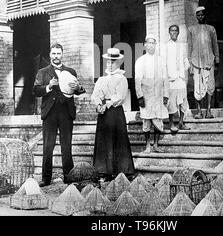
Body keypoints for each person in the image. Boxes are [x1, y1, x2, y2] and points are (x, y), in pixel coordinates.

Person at [33, 42, 86, 187]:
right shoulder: (43, 72)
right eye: (54, 53)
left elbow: (77, 89)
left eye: (58, 53)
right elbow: (36, 90)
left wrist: (78, 88)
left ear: (62, 54)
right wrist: (49, 86)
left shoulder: (71, 71)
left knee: (66, 145)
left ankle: (69, 176)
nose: (56, 56)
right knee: (47, 146)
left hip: (66, 112)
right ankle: (46, 178)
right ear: (50, 55)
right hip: (49, 112)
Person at [91, 48, 135, 181]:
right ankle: (103, 171)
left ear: (118, 63)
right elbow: (96, 94)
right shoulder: (102, 79)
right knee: (104, 140)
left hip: (115, 113)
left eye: (113, 62)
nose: (109, 65)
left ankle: (121, 170)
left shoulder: (121, 78)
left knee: (118, 140)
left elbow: (120, 96)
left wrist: (107, 104)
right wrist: (98, 105)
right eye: (108, 62)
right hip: (104, 114)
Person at [135, 34, 169, 153]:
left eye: (153, 43)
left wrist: (166, 95)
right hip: (146, 96)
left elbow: (165, 78)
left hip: (158, 95)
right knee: (147, 121)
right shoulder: (140, 61)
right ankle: (148, 145)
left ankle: (155, 144)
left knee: (158, 121)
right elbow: (137, 80)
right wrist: (140, 96)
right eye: (148, 43)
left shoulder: (161, 60)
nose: (150, 46)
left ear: (156, 45)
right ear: (145, 45)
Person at [188, 6, 219, 119]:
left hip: (209, 62)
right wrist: (190, 63)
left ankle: (209, 110)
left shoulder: (211, 29)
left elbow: (215, 45)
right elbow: (190, 46)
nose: (200, 16)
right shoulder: (191, 29)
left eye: (202, 14)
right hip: (196, 62)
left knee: (210, 86)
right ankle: (199, 111)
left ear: (205, 15)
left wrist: (217, 60)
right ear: (196, 16)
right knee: (198, 86)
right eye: (198, 15)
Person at [166, 24, 190, 132]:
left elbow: (185, 59)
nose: (174, 32)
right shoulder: (166, 46)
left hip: (180, 77)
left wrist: (186, 72)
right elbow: (163, 63)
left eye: (176, 31)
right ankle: (171, 124)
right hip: (171, 78)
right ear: (169, 32)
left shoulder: (182, 46)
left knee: (183, 101)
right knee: (171, 102)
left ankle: (181, 122)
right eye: (172, 31)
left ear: (178, 32)